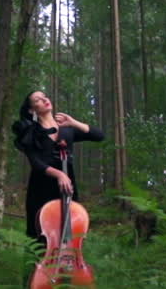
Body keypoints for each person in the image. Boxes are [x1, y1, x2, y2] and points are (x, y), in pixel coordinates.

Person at [11, 90, 104, 246]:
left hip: (66, 187)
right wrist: (59, 174)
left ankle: (68, 267)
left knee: (69, 234)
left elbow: (99, 135)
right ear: (32, 110)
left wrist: (73, 122)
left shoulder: (67, 129)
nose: (44, 99)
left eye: (44, 96)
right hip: (42, 187)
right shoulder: (31, 132)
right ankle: (39, 270)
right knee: (41, 237)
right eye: (37, 100)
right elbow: (36, 162)